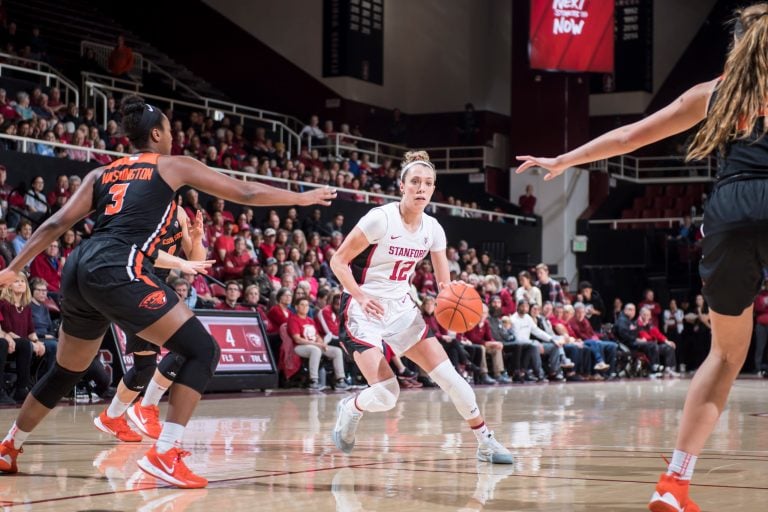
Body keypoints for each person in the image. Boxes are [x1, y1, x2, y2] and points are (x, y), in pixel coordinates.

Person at [0, 95, 336, 488]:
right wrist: (299, 197)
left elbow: (56, 223)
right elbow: (243, 194)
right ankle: (166, 454)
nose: (173, 138)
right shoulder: (172, 166)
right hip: (119, 265)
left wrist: (12, 268)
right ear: (156, 133)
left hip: (79, 265)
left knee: (67, 370)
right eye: (171, 131)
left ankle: (9, 446)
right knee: (203, 349)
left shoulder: (101, 174)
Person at [516, 5, 768, 508]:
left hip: (729, 209)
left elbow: (631, 136)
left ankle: (673, 485)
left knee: (723, 357)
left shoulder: (714, 93)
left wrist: (564, 159)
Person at [329, 150, 513, 464]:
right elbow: (338, 261)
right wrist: (360, 296)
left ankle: (485, 442)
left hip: (402, 308)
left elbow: (445, 287)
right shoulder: (379, 219)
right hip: (363, 309)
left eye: (428, 183)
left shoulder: (433, 230)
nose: (421, 188)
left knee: (451, 378)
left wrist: (459, 302)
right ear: (402, 186)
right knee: (387, 395)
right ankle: (351, 407)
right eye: (415, 181)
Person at [93, 208, 206, 443]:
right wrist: (180, 262)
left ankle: (111, 417)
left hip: (155, 284)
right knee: (187, 348)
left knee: (145, 367)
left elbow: (196, 262)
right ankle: (145, 407)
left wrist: (196, 239)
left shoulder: (180, 212)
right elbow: (146, 252)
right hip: (135, 282)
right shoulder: (144, 208)